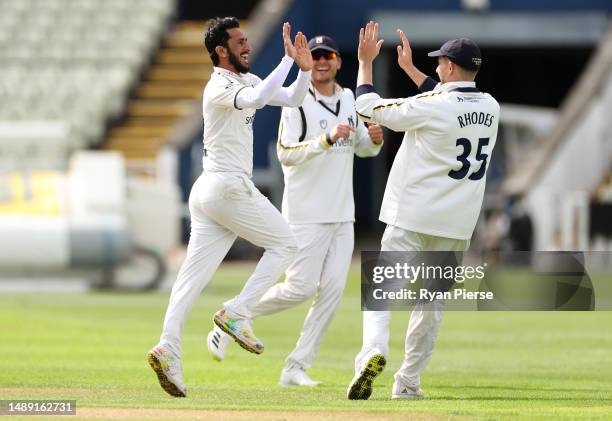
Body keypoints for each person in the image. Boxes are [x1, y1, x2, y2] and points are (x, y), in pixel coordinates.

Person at [147, 17, 313, 398]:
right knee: (286, 245)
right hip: (227, 186)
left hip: (210, 190)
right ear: (221, 50)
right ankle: (237, 312)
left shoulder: (247, 80)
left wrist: (302, 71)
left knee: (191, 279)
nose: (247, 46)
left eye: (245, 39)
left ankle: (167, 348)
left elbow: (292, 98)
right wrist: (288, 60)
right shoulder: (218, 85)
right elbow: (256, 101)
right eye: (239, 42)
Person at [206, 35, 384, 387]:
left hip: (342, 214)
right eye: (315, 56)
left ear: (338, 61)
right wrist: (325, 140)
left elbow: (361, 148)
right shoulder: (297, 101)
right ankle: (233, 313)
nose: (320, 61)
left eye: (327, 55)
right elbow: (287, 153)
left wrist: (373, 140)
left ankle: (296, 367)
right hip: (305, 213)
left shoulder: (349, 98)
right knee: (299, 290)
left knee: (332, 293)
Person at [347, 22, 499, 400]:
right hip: (457, 221)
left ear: (448, 67)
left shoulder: (433, 106)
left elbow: (368, 106)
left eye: (439, 64)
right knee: (430, 303)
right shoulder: (491, 106)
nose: (436, 69)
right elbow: (450, 103)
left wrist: (366, 63)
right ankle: (408, 382)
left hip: (413, 213)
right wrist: (412, 71)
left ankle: (373, 351)